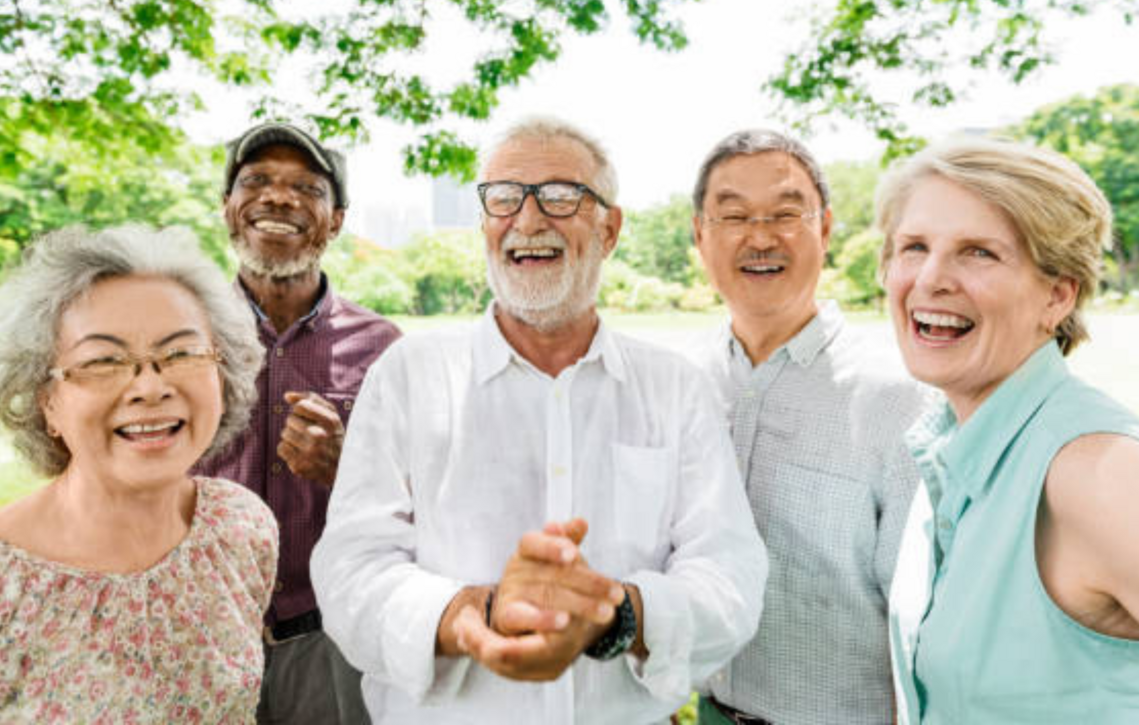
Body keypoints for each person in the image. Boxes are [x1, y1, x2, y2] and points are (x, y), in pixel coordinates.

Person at [311, 116, 767, 724]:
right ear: (483, 224)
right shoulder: (408, 375)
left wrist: (617, 614)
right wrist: (475, 615)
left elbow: (729, 575)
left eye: (560, 195)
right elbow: (351, 571)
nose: (527, 220)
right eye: (504, 198)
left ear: (609, 228)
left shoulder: (674, 388)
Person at [880, 138, 1139, 724]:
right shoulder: (947, 451)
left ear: (1057, 294)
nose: (931, 279)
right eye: (914, 247)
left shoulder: (1095, 471)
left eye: (979, 253)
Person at [688, 129, 929, 725]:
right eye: (733, 215)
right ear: (699, 235)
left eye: (786, 213)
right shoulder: (681, 385)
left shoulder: (897, 397)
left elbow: (920, 620)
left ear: (824, 228)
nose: (760, 236)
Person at [0, 225, 275, 723]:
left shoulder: (241, 527)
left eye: (181, 353)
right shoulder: (9, 579)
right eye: (103, 361)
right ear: (47, 402)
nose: (150, 386)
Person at [195, 121, 401, 724]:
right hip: (200, 630)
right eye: (255, 181)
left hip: (330, 640)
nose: (278, 198)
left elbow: (427, 506)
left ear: (336, 219)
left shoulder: (385, 348)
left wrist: (349, 467)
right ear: (228, 208)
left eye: (306, 188)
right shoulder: (180, 333)